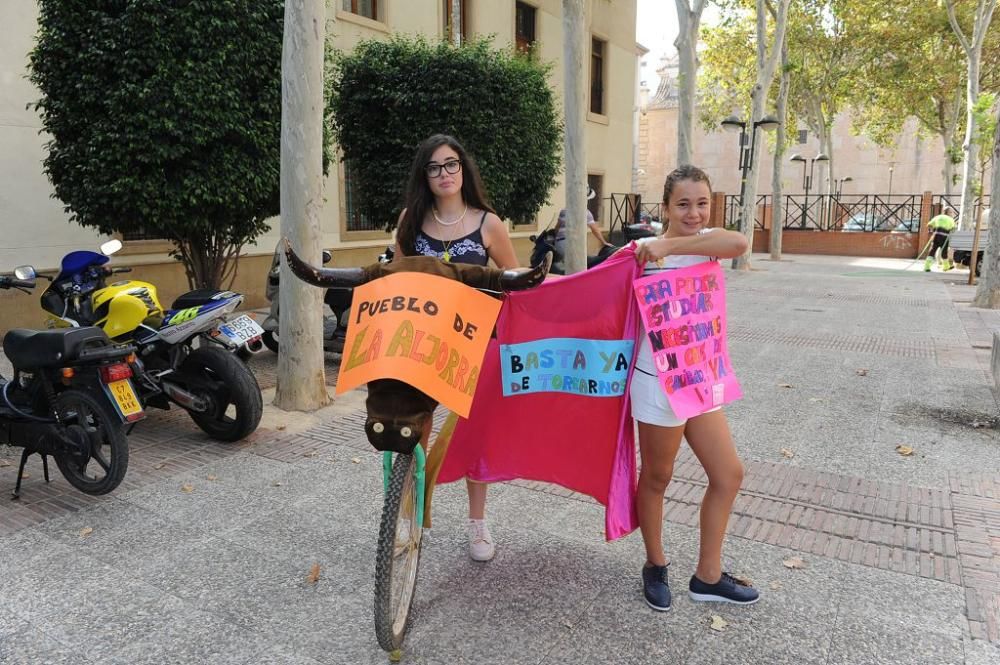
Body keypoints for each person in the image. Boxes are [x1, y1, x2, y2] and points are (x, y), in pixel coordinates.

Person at [630, 165, 758, 611]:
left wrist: (670, 243)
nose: (694, 212)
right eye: (683, 204)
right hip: (658, 381)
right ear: (665, 206)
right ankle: (655, 564)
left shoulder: (708, 242)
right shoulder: (640, 251)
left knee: (728, 474)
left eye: (701, 203)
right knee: (658, 477)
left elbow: (740, 243)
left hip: (701, 378)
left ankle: (708, 575)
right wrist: (654, 248)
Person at [394, 133, 518, 562]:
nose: (444, 174)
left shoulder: (489, 223)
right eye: (434, 167)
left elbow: (514, 280)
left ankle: (477, 523)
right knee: (414, 430)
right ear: (424, 176)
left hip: (477, 344)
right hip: (423, 344)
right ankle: (408, 517)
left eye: (451, 164)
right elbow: (397, 279)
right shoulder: (410, 221)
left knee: (473, 434)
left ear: (463, 169)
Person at [552, 187, 612, 264]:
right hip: (572, 244)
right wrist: (604, 242)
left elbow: (557, 229)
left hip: (559, 245)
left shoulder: (564, 211)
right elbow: (595, 230)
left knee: (566, 264)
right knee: (579, 266)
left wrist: (554, 240)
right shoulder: (586, 213)